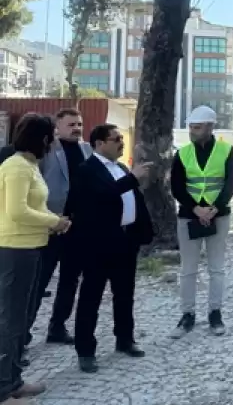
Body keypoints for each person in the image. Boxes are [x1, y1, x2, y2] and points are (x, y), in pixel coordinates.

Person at [70, 124, 153, 373]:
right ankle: (86, 350)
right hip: (98, 244)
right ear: (99, 143)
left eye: (121, 138)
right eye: (116, 139)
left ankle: (125, 339)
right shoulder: (87, 170)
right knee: (91, 298)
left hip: (125, 241)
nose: (121, 142)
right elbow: (101, 197)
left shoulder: (120, 168)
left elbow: (131, 198)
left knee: (125, 294)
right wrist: (132, 179)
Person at [0, 114, 71, 403]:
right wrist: (54, 221)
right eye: (52, 137)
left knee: (20, 316)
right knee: (12, 319)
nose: (55, 142)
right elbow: (17, 211)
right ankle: (6, 384)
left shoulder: (29, 165)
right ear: (43, 139)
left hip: (30, 248)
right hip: (16, 250)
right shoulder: (17, 167)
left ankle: (12, 377)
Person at [170, 106, 233, 339]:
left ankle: (215, 313)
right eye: (190, 126)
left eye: (197, 127)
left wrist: (214, 208)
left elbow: (231, 183)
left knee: (216, 268)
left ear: (210, 127)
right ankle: (187, 315)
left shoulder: (227, 151)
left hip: (218, 215)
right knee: (188, 270)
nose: (192, 131)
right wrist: (196, 209)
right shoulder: (181, 153)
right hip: (189, 216)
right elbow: (177, 187)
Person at [27, 108, 93, 347]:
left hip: (78, 228)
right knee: (39, 282)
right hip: (51, 226)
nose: (76, 128)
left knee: (70, 280)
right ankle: (22, 335)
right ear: (58, 127)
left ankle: (57, 327)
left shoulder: (87, 150)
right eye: (71, 124)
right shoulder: (46, 151)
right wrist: (48, 219)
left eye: (79, 123)